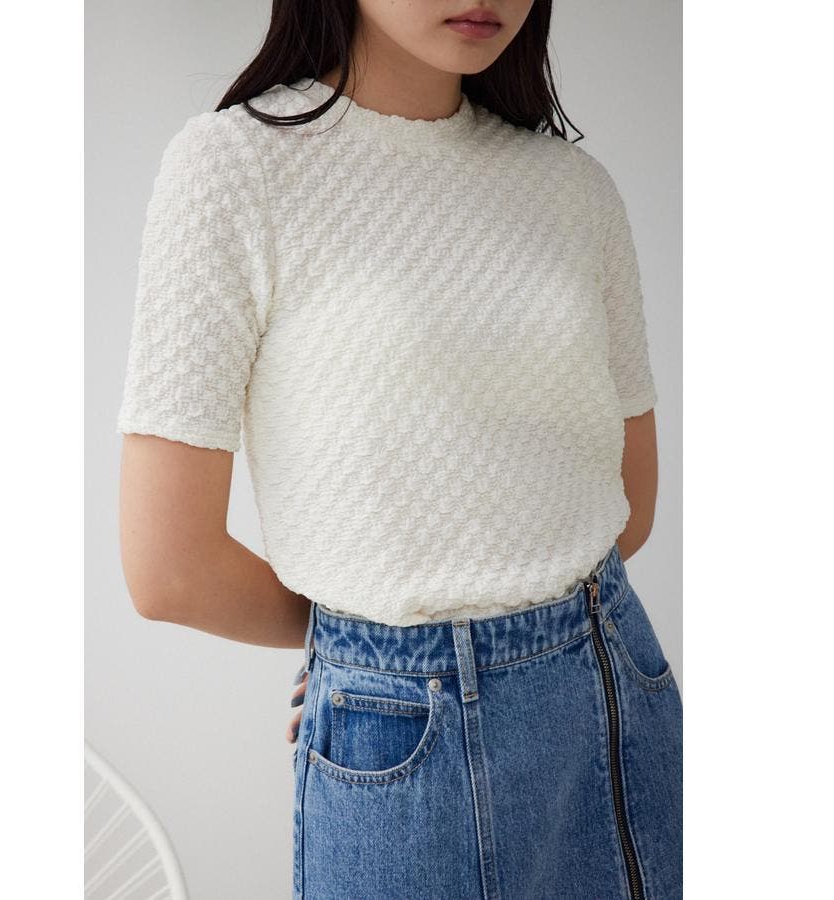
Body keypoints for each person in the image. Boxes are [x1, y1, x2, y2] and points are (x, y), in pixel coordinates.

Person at [116, 1, 682, 897]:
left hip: (617, 699)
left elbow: (628, 502)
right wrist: (365, 653)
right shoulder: (235, 170)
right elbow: (169, 567)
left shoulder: (575, 189)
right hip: (406, 746)